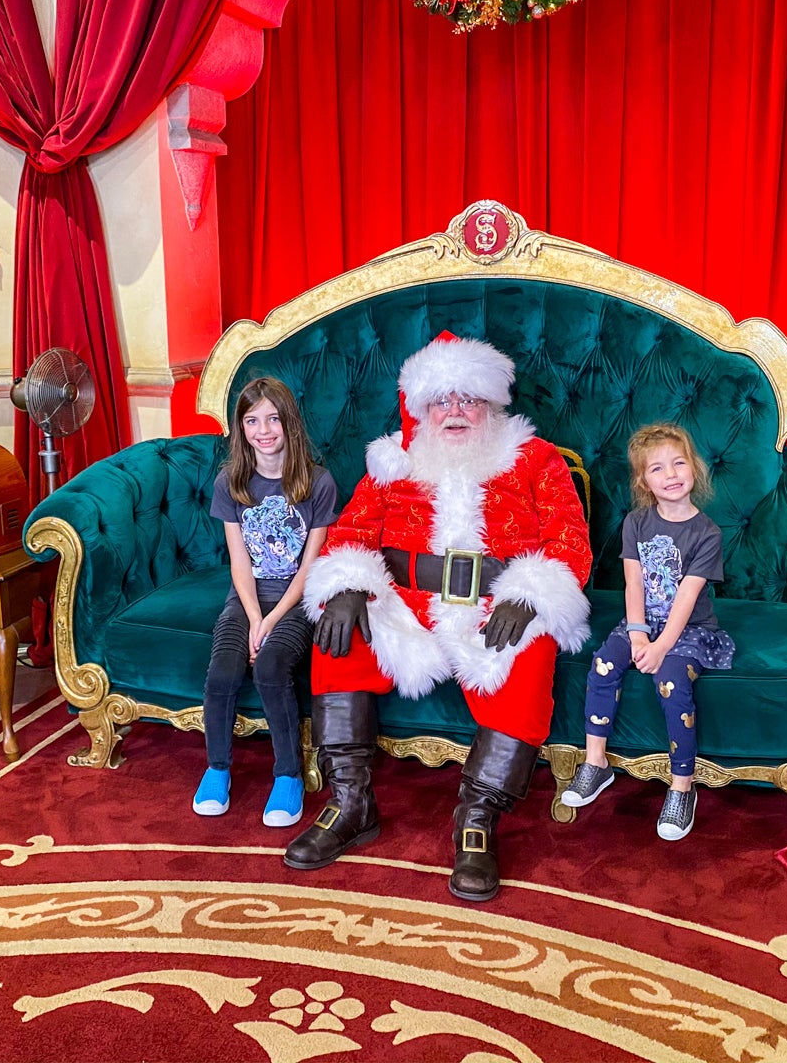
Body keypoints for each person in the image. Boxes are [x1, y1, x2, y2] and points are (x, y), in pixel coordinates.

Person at [286, 332, 592, 901]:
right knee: (340, 631)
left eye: (468, 398)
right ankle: (351, 803)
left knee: (532, 647)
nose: (455, 412)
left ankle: (476, 820)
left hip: (494, 604)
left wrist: (530, 595)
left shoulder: (536, 459)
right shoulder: (390, 462)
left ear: (493, 403)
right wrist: (350, 583)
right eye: (441, 401)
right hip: (405, 601)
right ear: (421, 409)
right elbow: (351, 531)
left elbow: (569, 542)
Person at [559, 423, 735, 840]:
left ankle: (681, 787)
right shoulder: (637, 523)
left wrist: (660, 649)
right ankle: (596, 761)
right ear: (644, 480)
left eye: (678, 463)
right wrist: (638, 636)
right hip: (642, 621)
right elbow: (633, 583)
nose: (670, 474)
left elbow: (688, 598)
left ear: (694, 467)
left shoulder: (706, 533)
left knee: (670, 679)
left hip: (687, 627)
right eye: (657, 469)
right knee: (603, 664)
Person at [198, 376, 337, 828]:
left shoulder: (317, 482)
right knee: (222, 671)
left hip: (297, 601)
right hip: (247, 598)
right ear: (241, 428)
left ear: (289, 423)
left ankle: (288, 775)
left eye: (273, 418)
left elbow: (310, 568)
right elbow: (239, 564)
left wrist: (274, 620)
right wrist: (254, 617)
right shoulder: (231, 482)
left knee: (273, 668)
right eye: (252, 420)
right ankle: (217, 768)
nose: (264, 430)